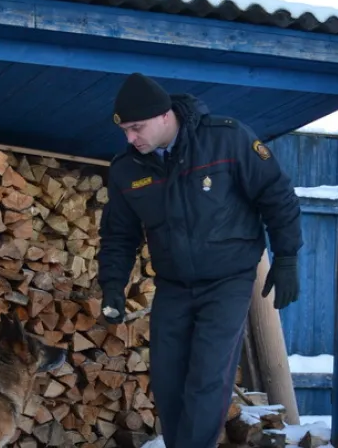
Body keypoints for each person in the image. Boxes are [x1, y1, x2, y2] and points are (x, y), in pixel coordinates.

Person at [97, 73, 303, 448]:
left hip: (229, 279)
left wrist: (286, 256)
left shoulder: (226, 139)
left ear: (164, 116)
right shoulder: (128, 169)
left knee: (208, 376)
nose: (130, 138)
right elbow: (118, 235)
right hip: (174, 285)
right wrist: (112, 286)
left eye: (136, 128)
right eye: (125, 130)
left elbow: (276, 193)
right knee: (168, 379)